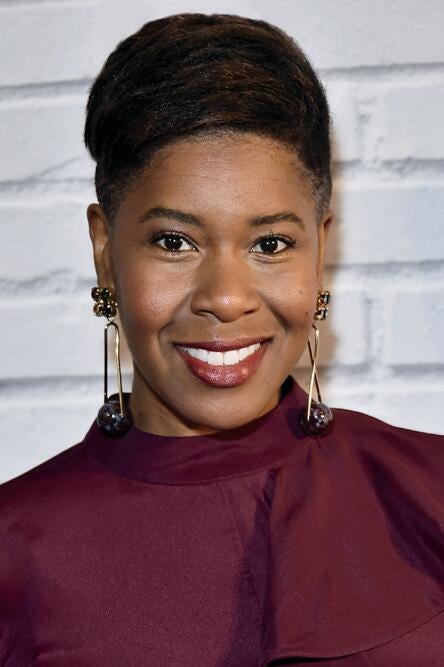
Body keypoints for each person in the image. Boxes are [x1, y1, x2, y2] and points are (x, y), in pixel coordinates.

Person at [1, 12, 443, 666]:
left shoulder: (430, 490)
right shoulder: (15, 550)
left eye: (272, 244)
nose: (227, 298)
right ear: (104, 252)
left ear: (320, 249)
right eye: (174, 242)